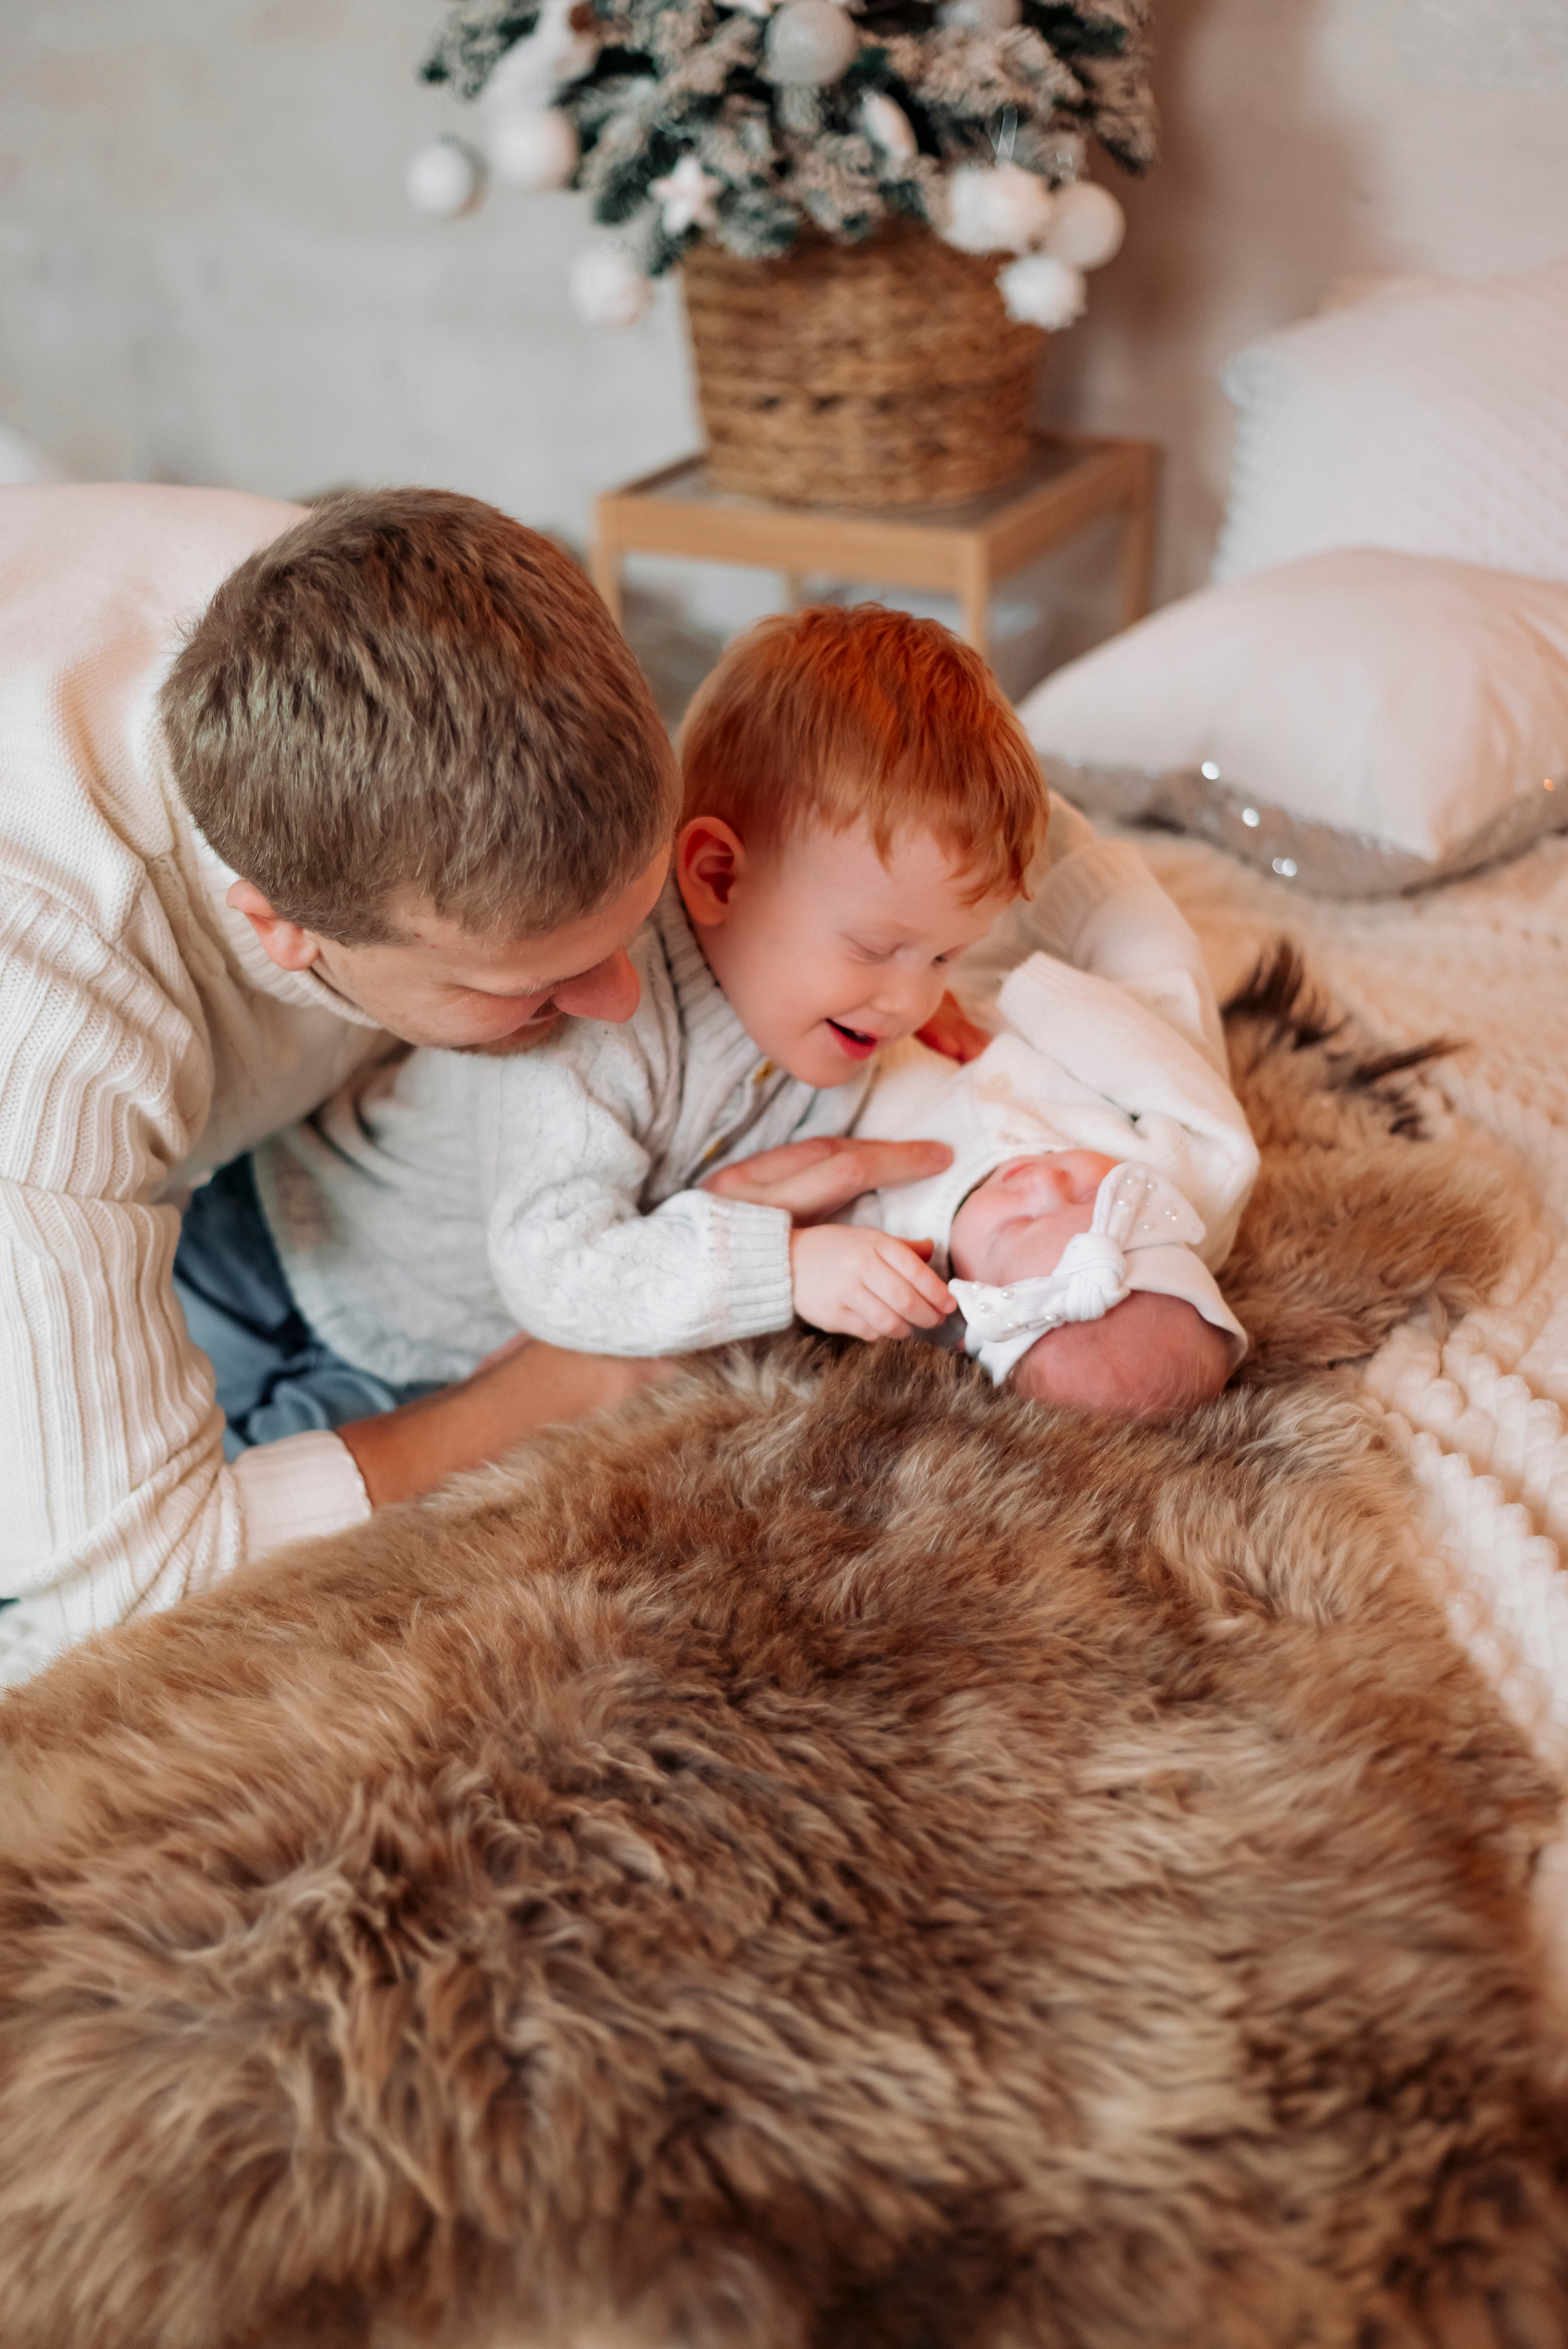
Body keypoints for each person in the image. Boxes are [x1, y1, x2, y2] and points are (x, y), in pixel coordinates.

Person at [0, 491, 937, 1686]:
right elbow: (133, 1589)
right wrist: (571, 1374)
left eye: (638, 922)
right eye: (539, 983)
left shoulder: (378, 617)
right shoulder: (46, 1039)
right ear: (286, 932)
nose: (620, 1003)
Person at [232, 606, 1250, 1394]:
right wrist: (789, 1268)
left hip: (445, 1338)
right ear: (717, 876)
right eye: (878, 948)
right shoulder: (603, 1022)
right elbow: (550, 1264)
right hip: (316, 1257)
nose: (909, 999)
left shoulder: (847, 1014)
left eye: (943, 956)